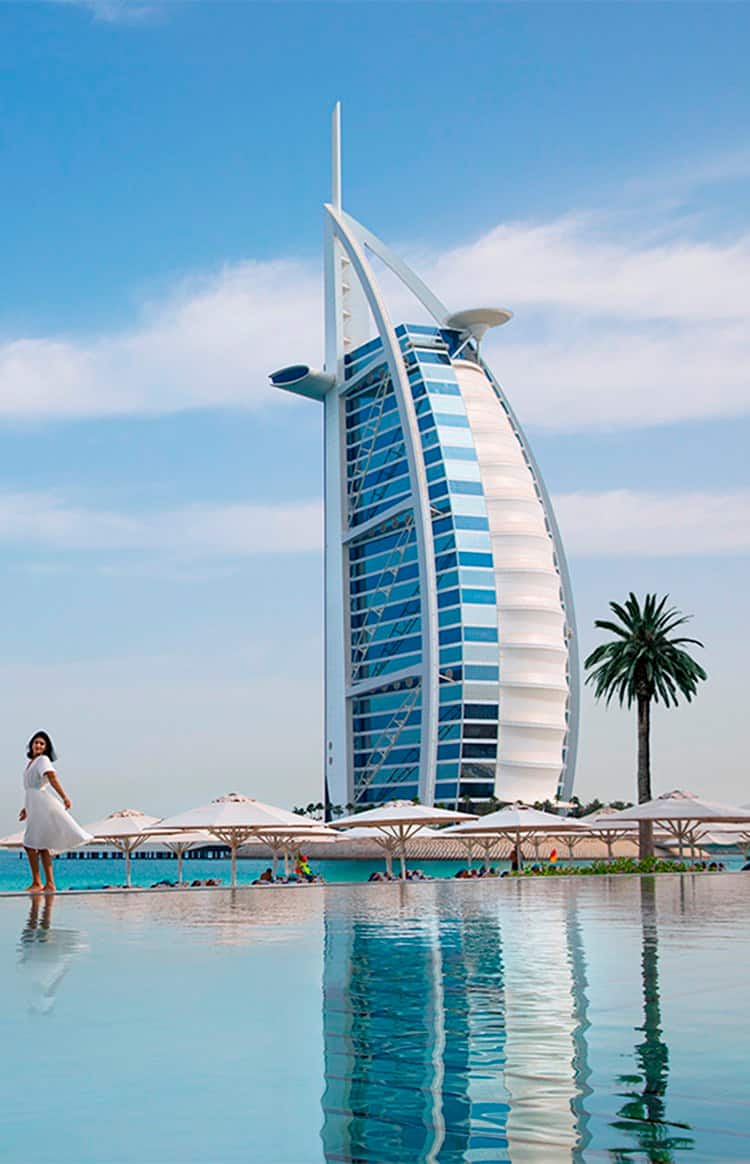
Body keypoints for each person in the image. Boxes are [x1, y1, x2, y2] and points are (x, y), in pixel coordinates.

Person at [19, 731, 91, 894]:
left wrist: (64, 797)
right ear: (31, 744)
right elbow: (30, 789)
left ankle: (38, 882)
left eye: (42, 744)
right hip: (34, 804)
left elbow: (52, 778)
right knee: (41, 845)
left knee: (29, 844)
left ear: (46, 748)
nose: (38, 745)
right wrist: (26, 808)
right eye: (36, 742)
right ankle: (49, 883)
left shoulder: (43, 760)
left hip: (42, 804)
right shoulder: (31, 763)